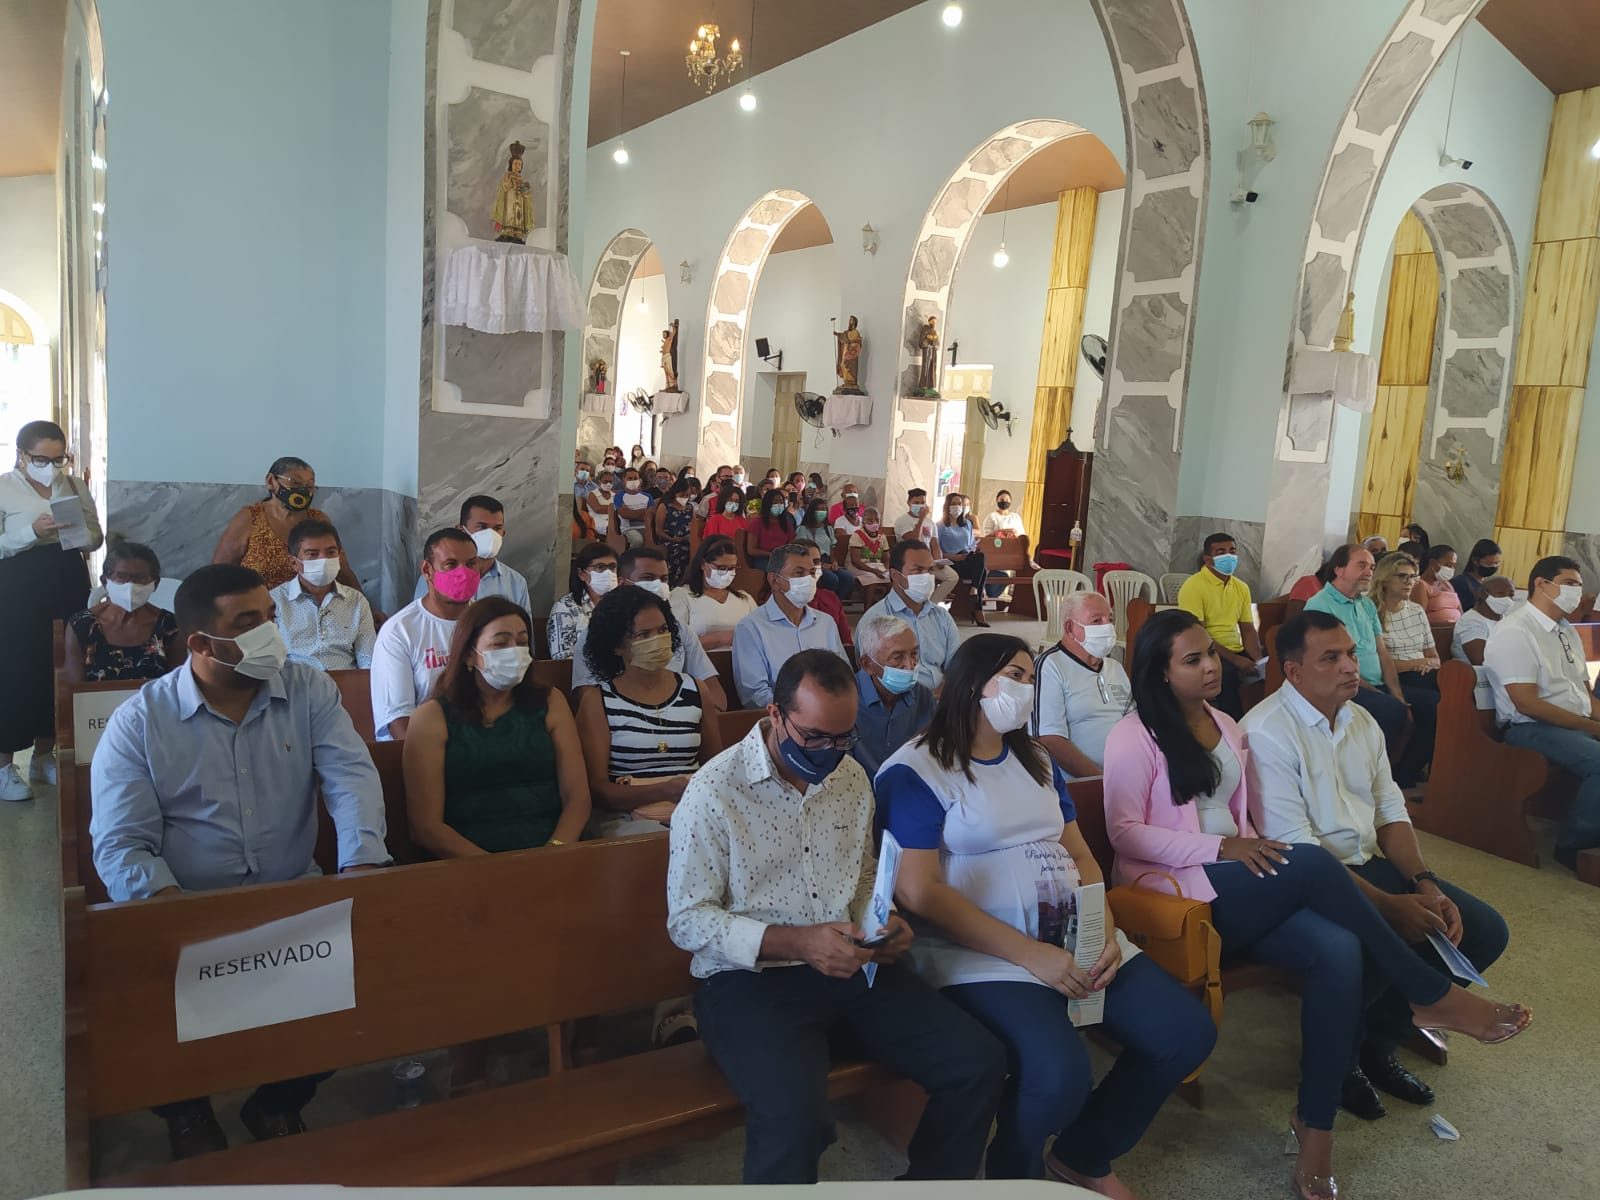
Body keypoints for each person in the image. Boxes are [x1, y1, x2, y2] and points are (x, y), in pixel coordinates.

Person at [1107, 609, 1529, 1198]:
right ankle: (1427, 993)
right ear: (1160, 672)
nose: (1211, 667)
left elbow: (1251, 817)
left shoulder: (1225, 724)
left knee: (1336, 949)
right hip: (1176, 891)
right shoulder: (1133, 735)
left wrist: (1245, 847)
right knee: (1310, 861)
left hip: (1244, 876)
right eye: (1193, 659)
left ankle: (1315, 1124)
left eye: (1211, 653)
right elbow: (1125, 833)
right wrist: (1223, 846)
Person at [878, 634, 1215, 1189]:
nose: (1027, 689)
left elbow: (1079, 854)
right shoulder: (917, 769)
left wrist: (1101, 928)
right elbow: (919, 892)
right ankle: (1016, 1175)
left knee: (1184, 1033)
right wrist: (1031, 955)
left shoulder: (1034, 759)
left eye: (1031, 678)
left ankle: (1084, 1155)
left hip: (1071, 937)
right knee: (1060, 1076)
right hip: (985, 956)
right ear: (972, 683)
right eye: (1014, 676)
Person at [667, 649, 1006, 1184]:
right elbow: (687, 920)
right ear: (776, 715)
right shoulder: (715, 791)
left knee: (978, 1063)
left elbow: (864, 875)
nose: (830, 752)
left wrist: (882, 921)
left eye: (845, 738)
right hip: (749, 983)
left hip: (851, 966)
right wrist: (799, 942)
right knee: (794, 1120)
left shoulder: (850, 778)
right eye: (815, 738)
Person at [90, 564, 389, 1156]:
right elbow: (122, 843)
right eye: (248, 622)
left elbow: (351, 777)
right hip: (187, 908)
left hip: (292, 898)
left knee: (355, 998)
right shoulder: (140, 722)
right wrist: (173, 917)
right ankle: (188, 1112)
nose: (270, 634)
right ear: (200, 643)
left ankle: (276, 1102)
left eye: (270, 617)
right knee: (143, 1012)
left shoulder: (307, 689)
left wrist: (361, 868)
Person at [1242, 611, 1523, 1120]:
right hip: (1304, 879)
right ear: (1294, 671)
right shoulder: (1266, 732)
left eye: (1351, 653)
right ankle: (1340, 1064)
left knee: (1482, 930)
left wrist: (1424, 882)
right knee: (1367, 945)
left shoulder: (1361, 720)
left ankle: (1381, 1041)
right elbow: (1298, 850)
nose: (1351, 666)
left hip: (1367, 863)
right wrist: (1392, 906)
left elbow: (1390, 811)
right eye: (1331, 658)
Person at [403, 596, 589, 857]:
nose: (514, 651)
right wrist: (495, 868)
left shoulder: (551, 702)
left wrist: (554, 851)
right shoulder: (431, 718)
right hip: (466, 858)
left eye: (522, 642)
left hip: (551, 850)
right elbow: (426, 827)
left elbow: (577, 799)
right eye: (500, 643)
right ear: (469, 654)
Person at [1, 420, 102, 799]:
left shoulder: (73, 486)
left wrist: (76, 533)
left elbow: (95, 536)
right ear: (22, 456)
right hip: (17, 586)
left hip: (66, 578)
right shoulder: (5, 488)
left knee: (60, 664)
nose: (51, 467)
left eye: (59, 459)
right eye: (42, 459)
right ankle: (4, 765)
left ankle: (45, 754)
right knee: (16, 670)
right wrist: (32, 532)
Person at [1484, 555, 1600, 870]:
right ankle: (1574, 845)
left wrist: (1594, 720)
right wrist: (1593, 728)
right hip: (1529, 727)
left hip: (1570, 723)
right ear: (1541, 584)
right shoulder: (1516, 630)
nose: (1577, 591)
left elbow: (1585, 695)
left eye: (1579, 585)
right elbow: (1526, 703)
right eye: (1569, 583)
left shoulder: (1566, 630)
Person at [577, 587, 722, 837]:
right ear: (616, 645)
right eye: (643, 635)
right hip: (625, 818)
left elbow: (715, 768)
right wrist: (663, 790)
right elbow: (598, 790)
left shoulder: (695, 690)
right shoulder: (598, 700)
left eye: (663, 630)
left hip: (691, 810)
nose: (657, 640)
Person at [569, 546, 728, 713]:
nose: (658, 586)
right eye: (648, 578)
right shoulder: (597, 634)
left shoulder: (681, 630)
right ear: (623, 583)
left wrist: (696, 718)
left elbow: (715, 693)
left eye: (664, 579)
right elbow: (585, 697)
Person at [1303, 544, 1411, 761]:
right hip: (1342, 685)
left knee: (1431, 705)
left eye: (1372, 567)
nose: (1369, 572)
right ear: (1339, 569)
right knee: (1392, 710)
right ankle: (1366, 769)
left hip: (1376, 683)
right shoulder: (1320, 605)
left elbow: (1382, 652)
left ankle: (1403, 772)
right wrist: (1378, 693)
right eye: (1361, 565)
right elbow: (1330, 663)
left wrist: (1396, 693)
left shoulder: (1367, 605)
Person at [371, 529, 480, 741]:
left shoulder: (488, 622)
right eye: (451, 564)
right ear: (427, 570)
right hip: (425, 747)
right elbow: (399, 723)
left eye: (471, 564)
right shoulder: (399, 631)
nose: (463, 573)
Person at [211, 456, 362, 593]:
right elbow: (219, 573)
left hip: (309, 608)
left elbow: (342, 570)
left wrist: (364, 607)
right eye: (295, 483)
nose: (303, 491)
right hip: (260, 609)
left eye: (309, 486)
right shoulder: (250, 518)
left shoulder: (317, 519)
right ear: (271, 481)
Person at [732, 543, 848, 708]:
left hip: (830, 712)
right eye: (799, 573)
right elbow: (755, 695)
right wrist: (803, 712)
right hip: (781, 717)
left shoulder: (825, 622)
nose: (809, 580)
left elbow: (844, 675)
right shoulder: (751, 627)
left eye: (812, 573)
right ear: (774, 580)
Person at [1031, 591, 1133, 778]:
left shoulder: (1115, 668)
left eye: (1110, 620)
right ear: (1070, 628)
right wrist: (1100, 781)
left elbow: (1135, 720)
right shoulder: (1050, 666)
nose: (1108, 627)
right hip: (1082, 783)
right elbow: (1049, 739)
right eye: (1097, 621)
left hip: (1129, 776)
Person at [64, 540, 184, 684]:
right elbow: (75, 690)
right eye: (121, 577)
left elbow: (178, 685)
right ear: (105, 581)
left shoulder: (170, 626)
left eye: (140, 578)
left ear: (155, 583)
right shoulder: (81, 625)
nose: (130, 586)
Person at [1176, 531, 1264, 720]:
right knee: (1227, 675)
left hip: (1234, 649)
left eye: (1232, 551)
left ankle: (1258, 722)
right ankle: (1232, 725)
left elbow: (1248, 629)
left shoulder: (1241, 587)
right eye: (1221, 552)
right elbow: (1197, 635)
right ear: (1208, 560)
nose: (1229, 557)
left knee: (1268, 673)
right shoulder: (1193, 586)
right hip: (1205, 650)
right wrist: (1236, 660)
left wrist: (1258, 660)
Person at [271, 518, 376, 671]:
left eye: (330, 552)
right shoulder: (275, 601)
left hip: (346, 682)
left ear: (340, 557)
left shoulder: (356, 601)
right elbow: (269, 663)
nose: (324, 560)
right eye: (313, 554)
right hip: (295, 683)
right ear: (294, 563)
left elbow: (368, 663)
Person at [1370, 552, 1438, 788]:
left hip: (1422, 674)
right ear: (1385, 578)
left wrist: (1425, 663)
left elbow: (1434, 657)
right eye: (1402, 577)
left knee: (1455, 699)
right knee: (1435, 704)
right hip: (1391, 678)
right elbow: (1377, 662)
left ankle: (1428, 769)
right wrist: (1414, 663)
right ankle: (1404, 772)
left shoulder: (1416, 610)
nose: (1410, 582)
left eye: (1413, 577)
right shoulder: (1371, 610)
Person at [861, 539, 959, 690]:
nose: (926, 577)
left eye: (930, 570)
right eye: (918, 570)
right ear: (895, 575)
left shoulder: (941, 616)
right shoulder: (876, 619)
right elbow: (872, 677)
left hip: (942, 696)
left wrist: (946, 693)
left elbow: (956, 666)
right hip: (901, 698)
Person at [412, 495, 531, 612]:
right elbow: (423, 617)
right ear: (462, 530)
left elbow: (523, 624)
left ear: (503, 533)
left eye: (497, 528)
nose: (491, 535)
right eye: (482, 527)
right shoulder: (435, 577)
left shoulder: (516, 582)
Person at [851, 613, 934, 778]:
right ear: (868, 664)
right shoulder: (846, 700)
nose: (909, 665)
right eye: (897, 657)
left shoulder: (922, 695)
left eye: (914, 654)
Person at [670, 535, 756, 651]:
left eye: (732, 568)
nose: (727, 574)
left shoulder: (745, 599)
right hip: (700, 661)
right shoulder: (682, 596)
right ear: (703, 564)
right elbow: (674, 645)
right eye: (722, 568)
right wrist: (720, 638)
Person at [548, 542, 617, 661]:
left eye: (612, 567)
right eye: (600, 567)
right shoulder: (566, 607)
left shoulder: (623, 603)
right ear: (581, 574)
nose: (608, 573)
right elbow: (563, 658)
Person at [894, 487, 958, 603]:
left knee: (952, 577)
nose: (920, 505)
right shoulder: (902, 521)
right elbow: (913, 540)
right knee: (926, 578)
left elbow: (935, 544)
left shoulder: (930, 523)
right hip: (910, 561)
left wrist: (939, 560)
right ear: (908, 503)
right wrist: (921, 519)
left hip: (929, 562)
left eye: (922, 502)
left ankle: (932, 604)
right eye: (916, 503)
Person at [936, 492, 989, 627]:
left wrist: (973, 550)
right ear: (947, 506)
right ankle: (978, 609)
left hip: (967, 558)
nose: (957, 506)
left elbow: (971, 544)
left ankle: (974, 589)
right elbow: (937, 550)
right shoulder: (940, 526)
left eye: (959, 504)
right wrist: (954, 557)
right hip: (952, 561)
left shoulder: (967, 524)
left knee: (980, 556)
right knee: (983, 571)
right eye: (953, 504)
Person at [795, 496, 853, 599]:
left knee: (847, 578)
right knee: (832, 579)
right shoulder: (803, 529)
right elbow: (802, 551)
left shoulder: (828, 529)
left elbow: (832, 548)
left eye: (824, 510)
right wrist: (820, 564)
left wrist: (834, 562)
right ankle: (825, 601)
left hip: (828, 560)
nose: (822, 512)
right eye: (820, 510)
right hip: (813, 562)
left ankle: (837, 601)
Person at [800, 541, 854, 647]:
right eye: (805, 562)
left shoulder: (831, 598)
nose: (812, 567)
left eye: (816, 562)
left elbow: (846, 641)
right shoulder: (783, 600)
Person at [1452, 574, 1514, 665]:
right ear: (1484, 594)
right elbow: (1482, 662)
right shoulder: (1471, 621)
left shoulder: (1505, 620)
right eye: (1500, 594)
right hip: (1472, 673)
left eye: (1511, 595)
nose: (1507, 599)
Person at [652, 477, 697, 586]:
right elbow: (659, 531)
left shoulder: (690, 508)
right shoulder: (665, 506)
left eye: (687, 495)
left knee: (696, 551)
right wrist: (674, 539)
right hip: (669, 540)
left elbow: (693, 527)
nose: (684, 497)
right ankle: (672, 581)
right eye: (682, 495)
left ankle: (688, 581)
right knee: (679, 551)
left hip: (686, 540)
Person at [748, 486, 797, 571]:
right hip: (763, 559)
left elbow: (791, 543)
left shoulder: (785, 523)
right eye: (775, 502)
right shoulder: (757, 522)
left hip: (782, 559)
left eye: (781, 502)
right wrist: (770, 554)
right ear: (768, 503)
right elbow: (751, 550)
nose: (779, 504)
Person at [1411, 544, 1461, 623]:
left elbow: (1460, 611)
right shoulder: (1420, 585)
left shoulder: (1447, 584)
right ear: (1433, 563)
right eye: (1448, 565)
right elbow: (1419, 620)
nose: (1451, 569)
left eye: (1453, 566)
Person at [846, 505, 892, 591]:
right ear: (863, 522)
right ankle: (868, 600)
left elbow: (887, 558)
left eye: (877, 520)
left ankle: (886, 598)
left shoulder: (882, 536)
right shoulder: (857, 535)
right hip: (858, 566)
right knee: (872, 578)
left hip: (877, 565)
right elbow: (855, 561)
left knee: (890, 578)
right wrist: (873, 570)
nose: (874, 523)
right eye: (870, 520)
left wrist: (886, 569)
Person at [1452, 538, 1502, 612]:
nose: (1493, 567)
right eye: (1489, 563)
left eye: (1497, 563)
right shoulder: (1460, 582)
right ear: (1475, 561)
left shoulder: (1489, 584)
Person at [614, 467, 654, 548]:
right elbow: (624, 514)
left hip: (646, 528)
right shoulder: (619, 496)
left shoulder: (647, 496)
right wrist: (644, 510)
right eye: (630, 478)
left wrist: (631, 512)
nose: (633, 481)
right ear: (624, 480)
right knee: (637, 541)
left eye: (635, 478)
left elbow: (650, 515)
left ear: (639, 480)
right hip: (628, 529)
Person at [584, 467, 616, 539]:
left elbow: (620, 509)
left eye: (610, 482)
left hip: (612, 520)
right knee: (612, 528)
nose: (608, 484)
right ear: (599, 482)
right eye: (605, 481)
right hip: (597, 522)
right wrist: (614, 508)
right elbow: (597, 509)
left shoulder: (614, 495)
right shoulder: (592, 494)